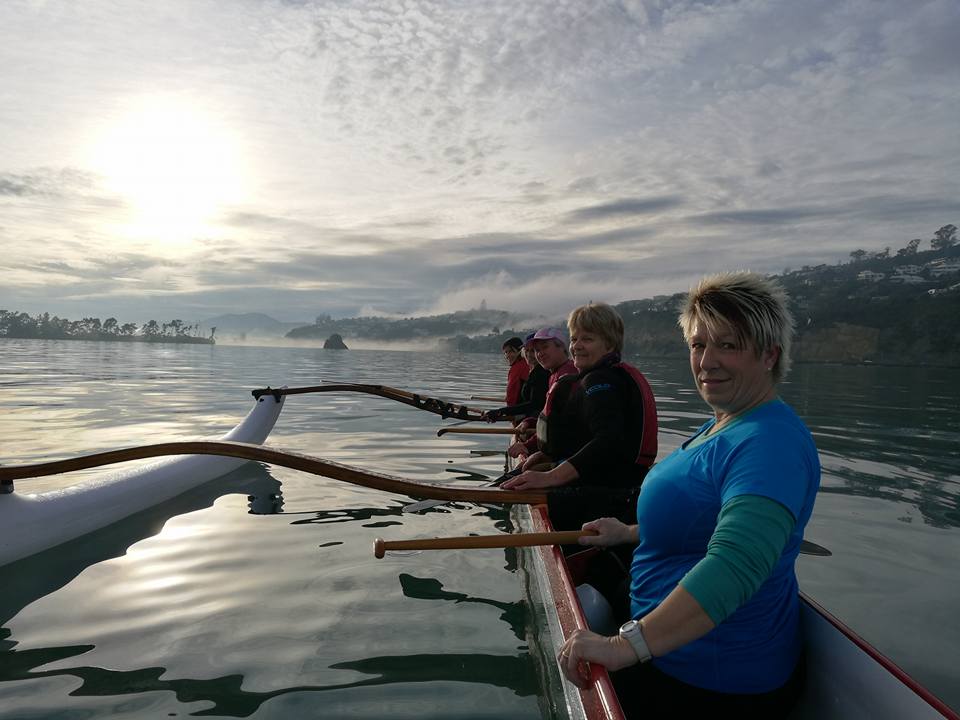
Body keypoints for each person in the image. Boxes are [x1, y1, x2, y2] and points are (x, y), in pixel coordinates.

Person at [557, 272, 820, 718]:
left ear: (769, 355)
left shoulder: (770, 443)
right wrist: (627, 532)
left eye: (728, 345)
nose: (707, 361)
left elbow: (737, 564)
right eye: (698, 345)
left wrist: (625, 646)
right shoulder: (723, 423)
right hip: (665, 644)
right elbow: (699, 520)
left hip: (709, 678)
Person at [502, 303, 658, 529]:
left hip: (608, 495)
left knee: (522, 479)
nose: (576, 346)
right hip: (627, 487)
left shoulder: (599, 381)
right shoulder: (614, 375)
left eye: (587, 339)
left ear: (610, 344)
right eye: (574, 339)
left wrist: (551, 476)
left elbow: (608, 440)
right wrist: (543, 454)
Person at [505, 327, 578, 464]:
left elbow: (562, 425)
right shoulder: (554, 375)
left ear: (562, 347)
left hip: (567, 457)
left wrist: (527, 445)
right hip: (557, 451)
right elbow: (550, 416)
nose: (539, 353)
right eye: (537, 350)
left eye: (545, 347)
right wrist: (530, 421)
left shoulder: (567, 376)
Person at [483, 333, 550, 422]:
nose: (529, 354)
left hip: (532, 420)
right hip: (525, 416)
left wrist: (501, 411)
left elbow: (535, 404)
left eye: (533, 351)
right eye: (527, 350)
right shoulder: (533, 370)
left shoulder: (540, 372)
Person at [500, 337, 529, 407]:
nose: (507, 355)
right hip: (516, 408)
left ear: (520, 351)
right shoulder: (520, 365)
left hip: (519, 410)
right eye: (506, 352)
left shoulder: (521, 367)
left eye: (510, 351)